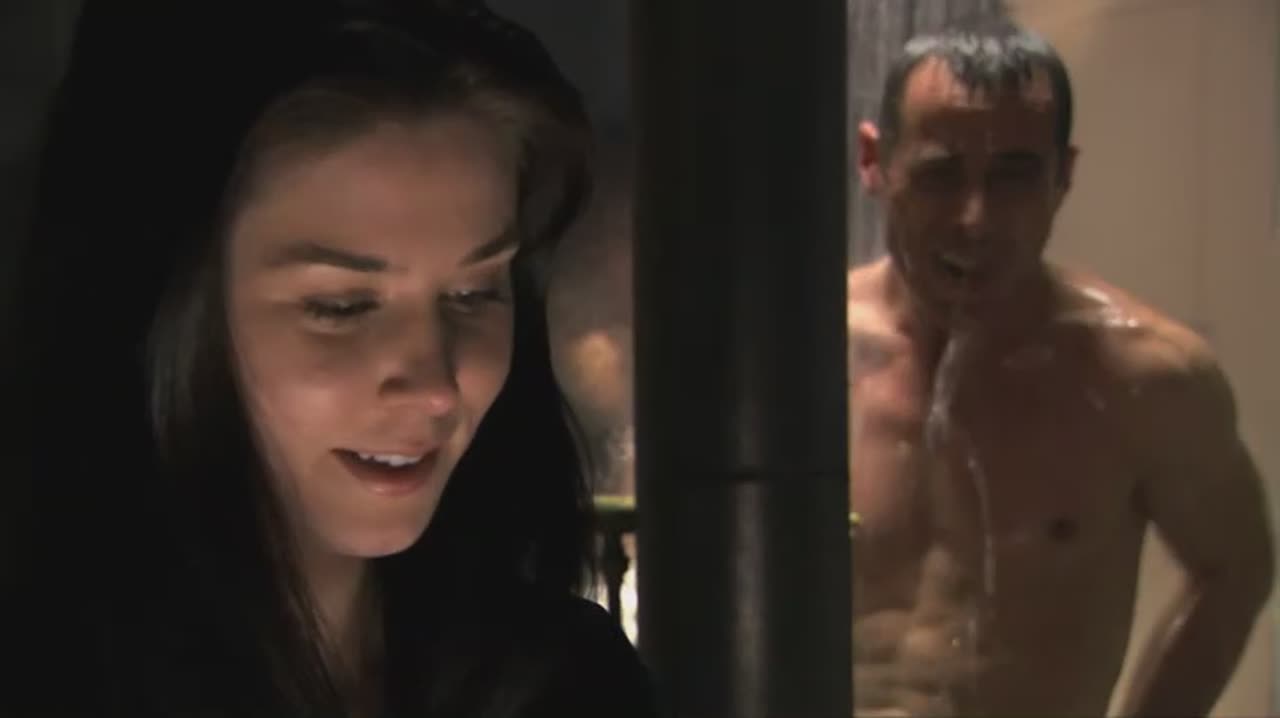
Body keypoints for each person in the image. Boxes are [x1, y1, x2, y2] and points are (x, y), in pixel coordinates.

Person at [0, 1, 655, 716]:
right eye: (341, 307)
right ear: (164, 306)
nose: (436, 389)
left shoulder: (565, 682)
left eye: (473, 293)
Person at [848, 18, 1274, 717]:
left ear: (1062, 177)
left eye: (1014, 177)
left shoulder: (1143, 378)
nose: (976, 219)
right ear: (874, 163)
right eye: (940, 174)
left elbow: (1238, 567)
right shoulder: (807, 368)